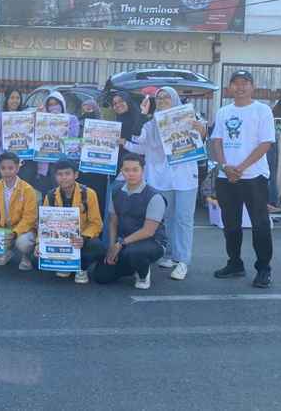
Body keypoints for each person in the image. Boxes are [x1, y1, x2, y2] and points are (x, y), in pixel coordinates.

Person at [122, 87, 205, 280]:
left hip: (185, 177)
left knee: (184, 219)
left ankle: (183, 260)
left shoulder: (189, 117)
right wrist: (125, 141)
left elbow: (201, 136)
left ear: (175, 99)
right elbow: (140, 142)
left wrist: (200, 129)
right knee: (165, 218)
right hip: (160, 177)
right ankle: (170, 255)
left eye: (167, 96)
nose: (162, 100)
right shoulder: (150, 124)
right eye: (159, 97)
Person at [210, 70, 276, 288]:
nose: (240, 87)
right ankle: (235, 263)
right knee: (230, 225)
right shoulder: (223, 111)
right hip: (226, 177)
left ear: (252, 86)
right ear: (230, 87)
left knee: (260, 225)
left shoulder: (262, 110)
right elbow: (217, 141)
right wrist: (225, 166)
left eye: (245, 83)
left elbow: (265, 143)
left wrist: (240, 167)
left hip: (254, 176)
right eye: (236, 83)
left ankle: (264, 269)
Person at [93, 153, 166, 290]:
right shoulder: (115, 191)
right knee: (101, 276)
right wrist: (112, 246)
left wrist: (120, 244)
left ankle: (143, 273)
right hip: (124, 242)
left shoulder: (154, 196)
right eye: (126, 170)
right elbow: (113, 222)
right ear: (121, 171)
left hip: (152, 242)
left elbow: (148, 231)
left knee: (135, 253)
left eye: (135, 170)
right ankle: (131, 267)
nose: (131, 174)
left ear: (142, 171)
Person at [35, 159, 104, 284]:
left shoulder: (89, 194)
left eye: (67, 174)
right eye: (60, 174)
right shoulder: (50, 196)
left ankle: (82, 268)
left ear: (76, 175)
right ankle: (65, 265)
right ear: (55, 177)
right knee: (36, 256)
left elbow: (96, 224)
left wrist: (83, 237)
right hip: (59, 239)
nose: (64, 178)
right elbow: (44, 225)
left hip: (81, 239)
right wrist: (38, 243)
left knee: (97, 246)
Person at [34, 92, 80, 195]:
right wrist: (38, 117)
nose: (53, 107)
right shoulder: (42, 120)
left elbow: (73, 139)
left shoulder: (72, 119)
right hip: (45, 165)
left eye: (56, 103)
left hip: (61, 164)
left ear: (62, 104)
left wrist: (59, 124)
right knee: (47, 195)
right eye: (50, 104)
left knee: (61, 195)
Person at [0, 88, 37, 187]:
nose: (15, 100)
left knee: (23, 191)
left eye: (18, 98)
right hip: (6, 164)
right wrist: (4, 157)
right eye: (12, 97)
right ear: (7, 99)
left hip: (25, 163)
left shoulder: (27, 117)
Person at [76, 98, 108, 213]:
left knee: (98, 200)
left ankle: (97, 228)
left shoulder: (105, 125)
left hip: (99, 171)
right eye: (84, 108)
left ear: (95, 109)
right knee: (82, 199)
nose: (87, 111)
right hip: (82, 170)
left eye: (90, 108)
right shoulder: (77, 123)